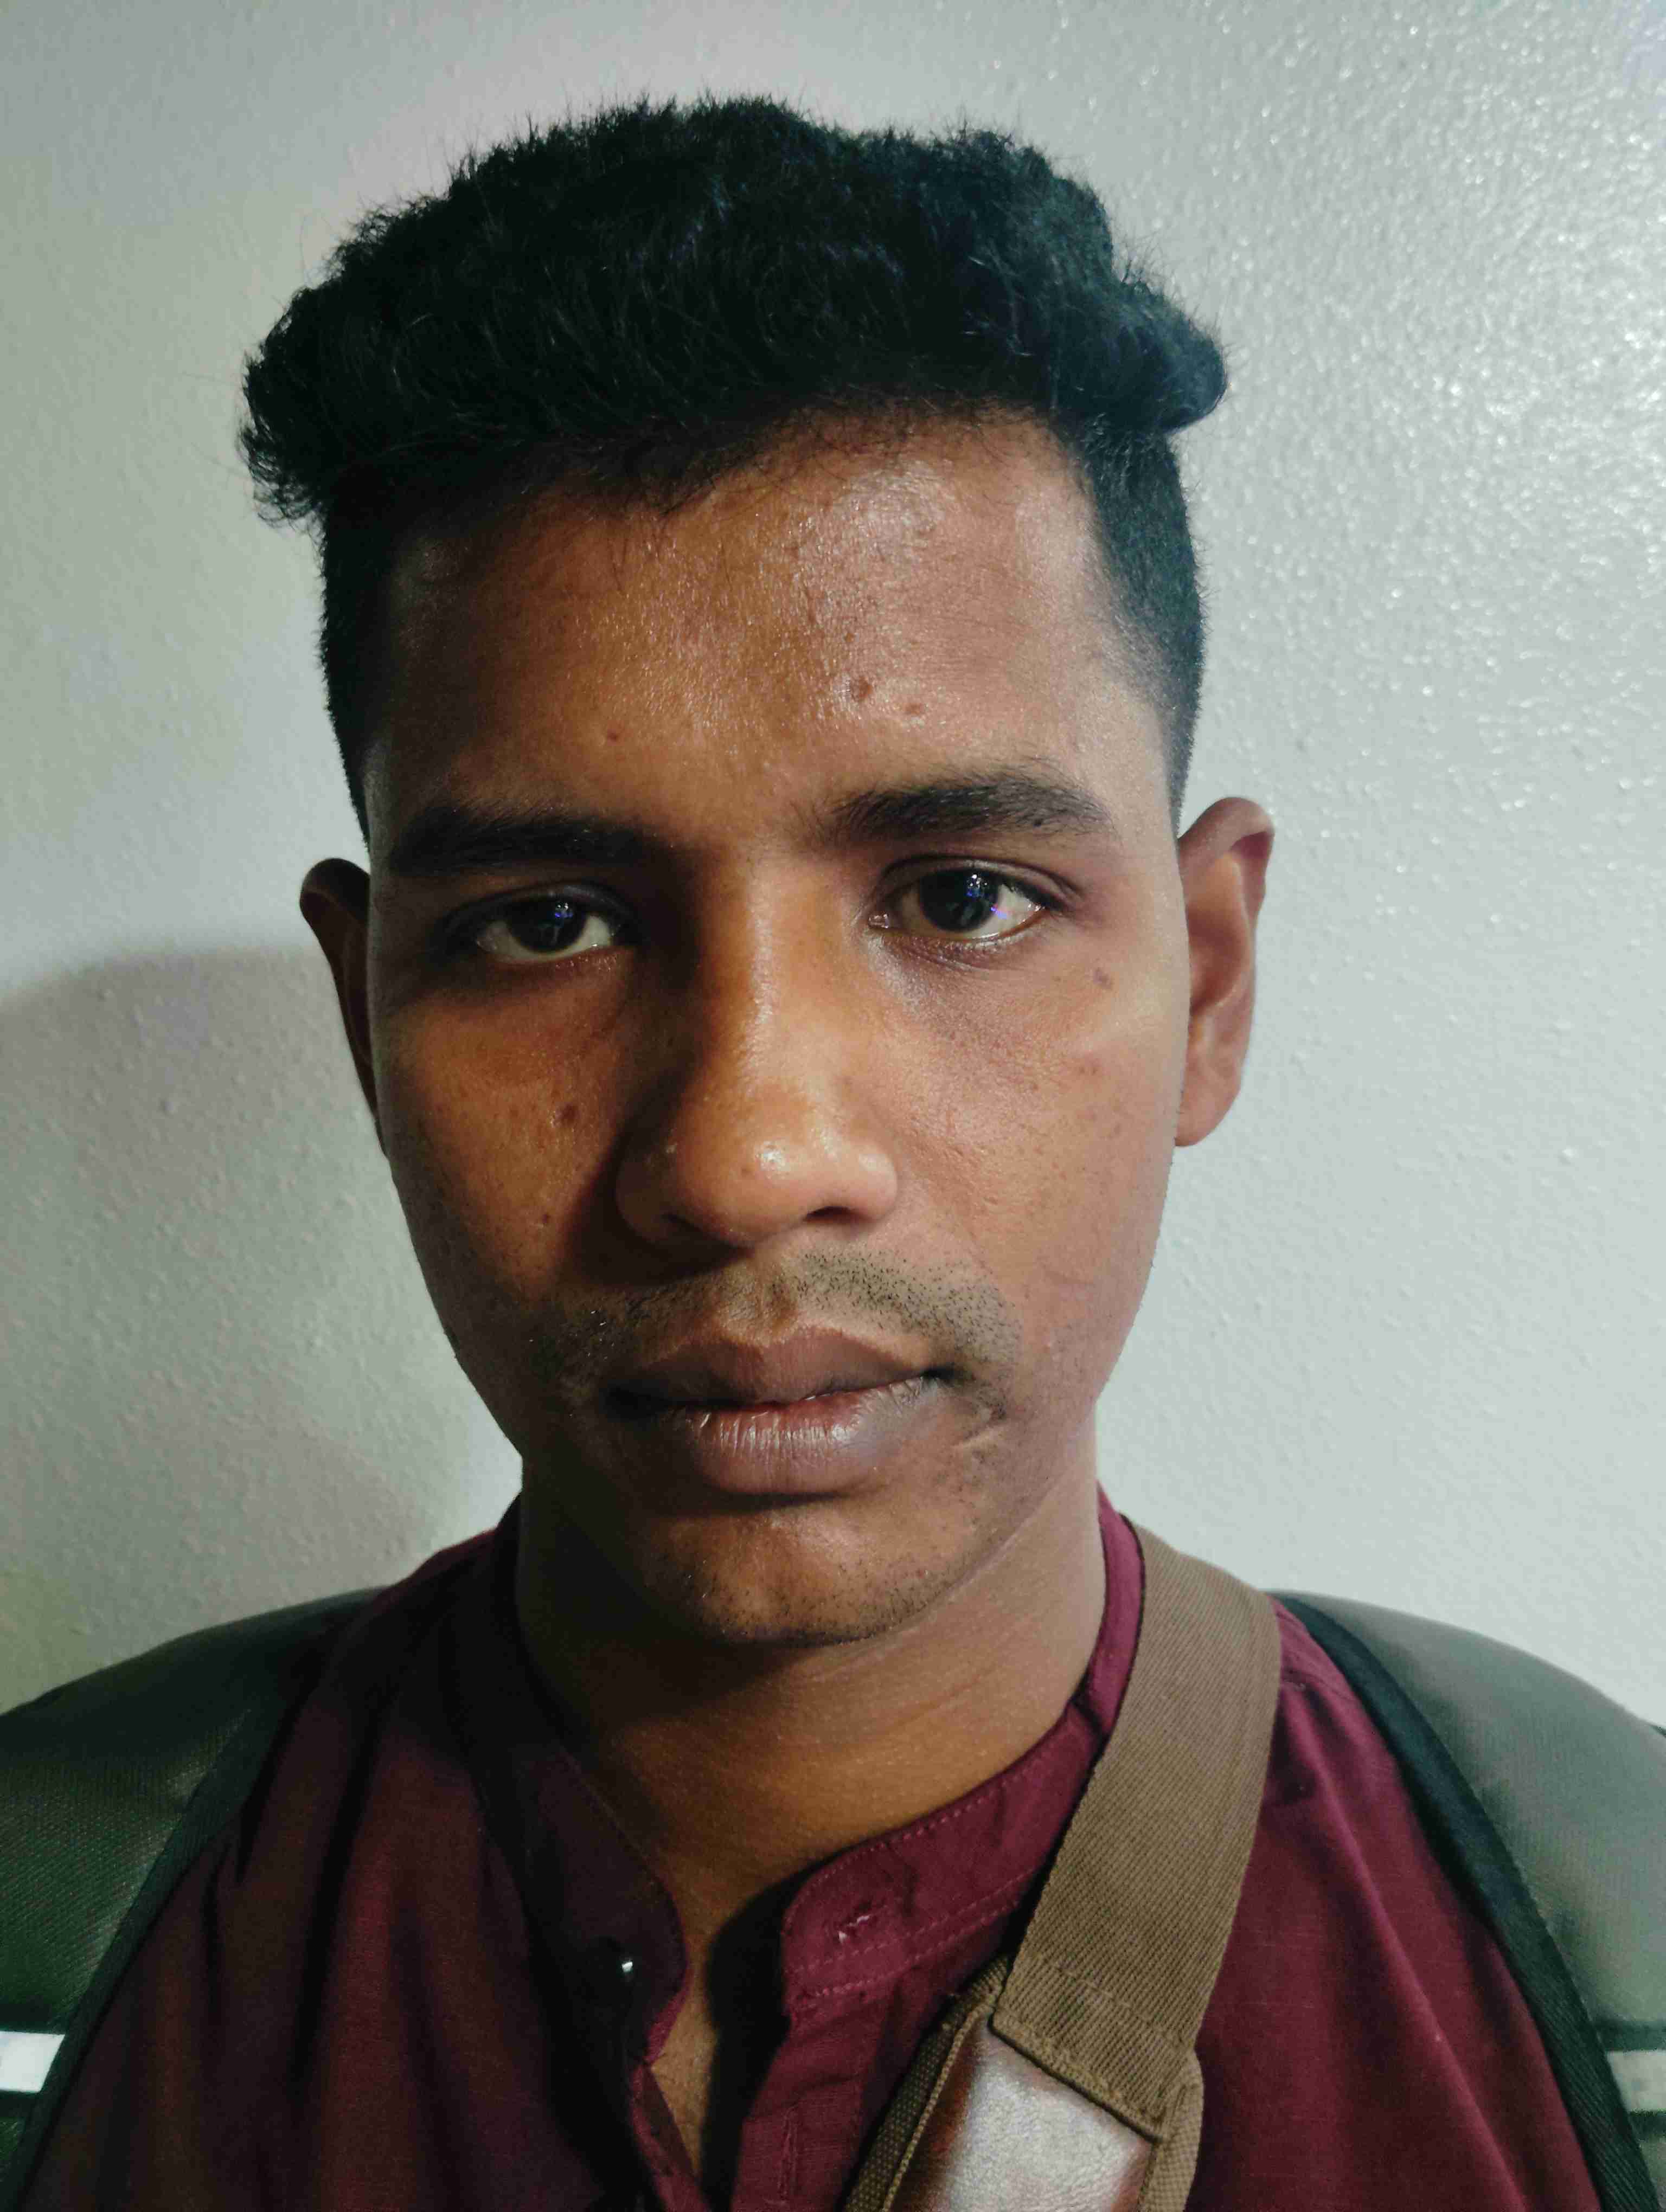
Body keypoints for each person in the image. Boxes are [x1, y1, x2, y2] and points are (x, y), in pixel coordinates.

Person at [0, 93, 1632, 2211]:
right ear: (364, 1019)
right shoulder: (52, 1978)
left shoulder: (1612, 2004)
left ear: (1210, 984)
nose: (749, 1158)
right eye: (546, 925)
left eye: (962, 898)